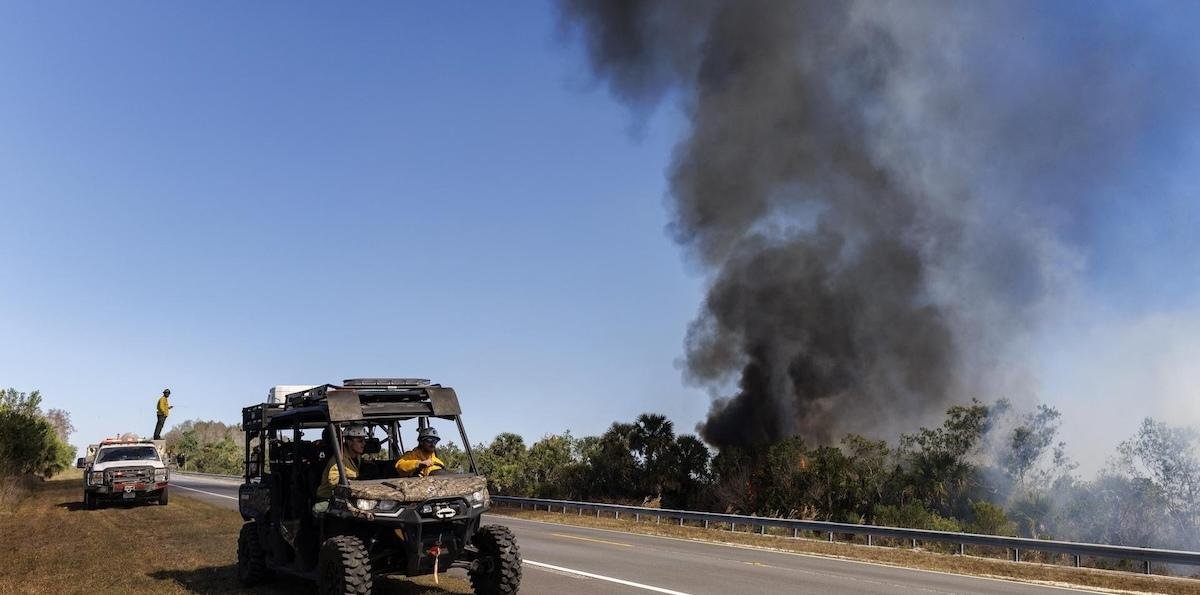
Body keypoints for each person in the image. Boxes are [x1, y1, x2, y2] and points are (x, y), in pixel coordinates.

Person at [314, 423, 369, 509]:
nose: (364, 444)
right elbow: (334, 483)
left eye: (364, 440)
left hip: (351, 497)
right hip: (328, 499)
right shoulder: (338, 459)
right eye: (360, 441)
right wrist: (352, 481)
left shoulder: (357, 457)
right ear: (349, 441)